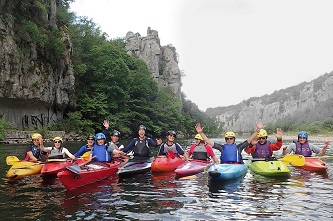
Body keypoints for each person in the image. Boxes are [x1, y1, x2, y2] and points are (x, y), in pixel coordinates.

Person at [195, 122, 263, 164]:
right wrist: (201, 133)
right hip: (225, 166)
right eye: (227, 138)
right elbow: (207, 141)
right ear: (225, 139)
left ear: (234, 139)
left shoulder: (239, 147)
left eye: (231, 138)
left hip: (236, 166)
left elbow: (250, 139)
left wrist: (257, 130)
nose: (229, 140)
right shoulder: (222, 147)